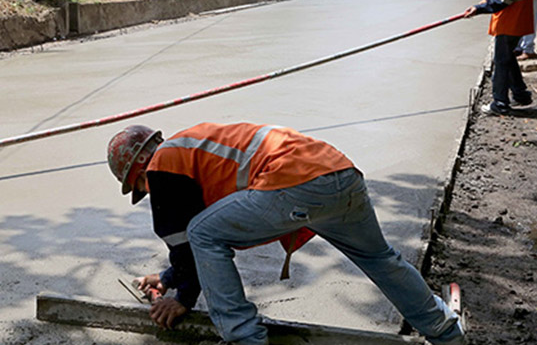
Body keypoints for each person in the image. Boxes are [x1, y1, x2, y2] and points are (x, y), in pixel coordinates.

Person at [107, 123, 466, 345]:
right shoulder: (190, 147)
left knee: (202, 232)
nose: (149, 191)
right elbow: (196, 247)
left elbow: (187, 239)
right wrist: (169, 277)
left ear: (140, 167)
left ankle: (243, 338)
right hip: (341, 174)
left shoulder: (161, 165)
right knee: (381, 258)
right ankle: (447, 333)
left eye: (141, 185)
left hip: (296, 185)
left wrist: (182, 298)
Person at [463, 0, 534, 115]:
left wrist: (479, 9)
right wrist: (486, 0)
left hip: (510, 20)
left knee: (501, 61)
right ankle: (521, 95)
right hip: (520, 17)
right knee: (508, 57)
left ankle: (499, 103)